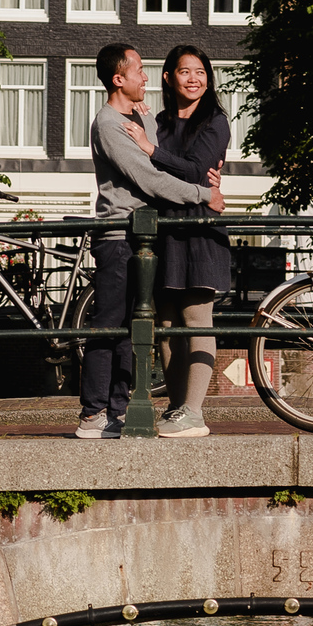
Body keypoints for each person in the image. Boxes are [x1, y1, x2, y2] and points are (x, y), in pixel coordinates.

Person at [76, 44, 225, 440]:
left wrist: (156, 143)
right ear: (118, 78)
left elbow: (180, 165)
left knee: (136, 325)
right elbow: (151, 177)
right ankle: (95, 414)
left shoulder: (149, 120)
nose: (145, 75)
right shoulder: (112, 123)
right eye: (140, 69)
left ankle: (129, 411)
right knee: (116, 324)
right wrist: (203, 193)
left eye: (201, 72)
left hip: (155, 233)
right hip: (126, 234)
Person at [122, 47, 230, 438]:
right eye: (184, 71)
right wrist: (151, 141)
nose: (193, 79)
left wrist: (151, 150)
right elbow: (153, 174)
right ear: (168, 77)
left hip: (199, 228)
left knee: (197, 318)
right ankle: (175, 406)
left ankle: (195, 412)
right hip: (164, 229)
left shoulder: (216, 122)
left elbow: (195, 169)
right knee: (165, 322)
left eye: (200, 71)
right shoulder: (158, 122)